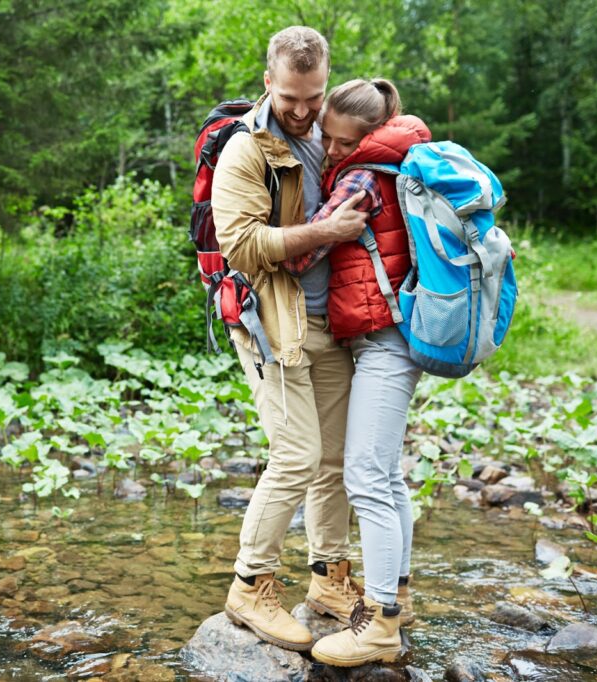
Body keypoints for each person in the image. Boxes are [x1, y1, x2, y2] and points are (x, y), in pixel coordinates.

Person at [210, 26, 371, 652]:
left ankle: (330, 580)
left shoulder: (335, 137)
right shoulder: (244, 151)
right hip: (270, 324)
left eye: (314, 96)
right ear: (268, 82)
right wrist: (327, 232)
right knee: (297, 456)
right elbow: (245, 247)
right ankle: (249, 586)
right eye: (291, 99)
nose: (303, 111)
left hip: (331, 324)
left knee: (335, 461)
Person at [281, 78, 431, 666]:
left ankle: (381, 627)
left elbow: (299, 254)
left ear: (370, 136)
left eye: (346, 142)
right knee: (387, 477)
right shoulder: (397, 160)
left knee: (365, 477)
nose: (336, 151)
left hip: (382, 340)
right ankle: (398, 596)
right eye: (330, 140)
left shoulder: (363, 176)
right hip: (389, 335)